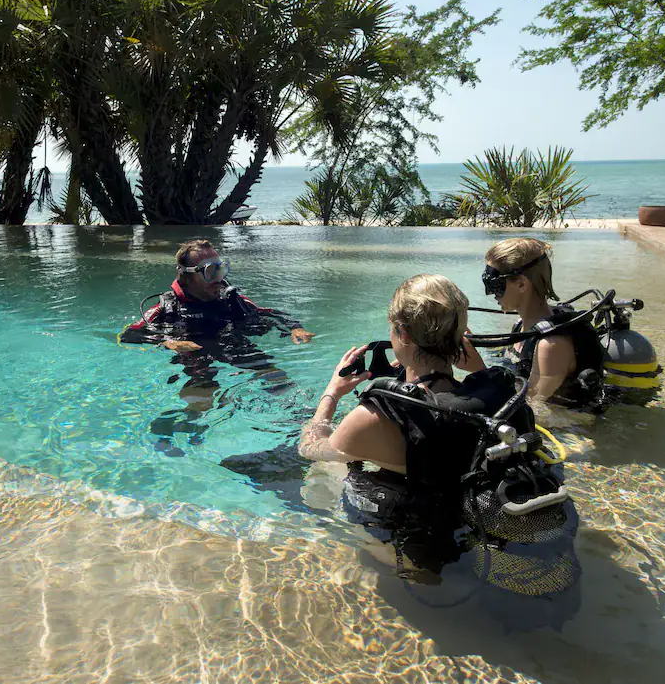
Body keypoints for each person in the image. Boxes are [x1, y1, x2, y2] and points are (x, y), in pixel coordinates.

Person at [298, 275, 578, 609]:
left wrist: (332, 392)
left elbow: (310, 447)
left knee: (327, 471)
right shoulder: (502, 396)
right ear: (462, 334)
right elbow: (476, 382)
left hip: (432, 561)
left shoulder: (378, 417)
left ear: (402, 334)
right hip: (485, 535)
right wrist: (465, 361)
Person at [119, 239, 313, 449]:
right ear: (187, 276)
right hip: (194, 350)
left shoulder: (230, 300)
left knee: (274, 375)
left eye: (221, 269)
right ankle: (182, 425)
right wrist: (168, 342)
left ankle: (302, 417)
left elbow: (268, 313)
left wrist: (295, 327)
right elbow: (128, 335)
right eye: (210, 271)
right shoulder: (167, 307)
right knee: (202, 397)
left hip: (231, 343)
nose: (218, 278)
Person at [481, 238, 604, 408]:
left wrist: (478, 370)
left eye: (496, 284)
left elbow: (532, 408)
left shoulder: (551, 345)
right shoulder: (522, 326)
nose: (490, 293)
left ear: (522, 284)